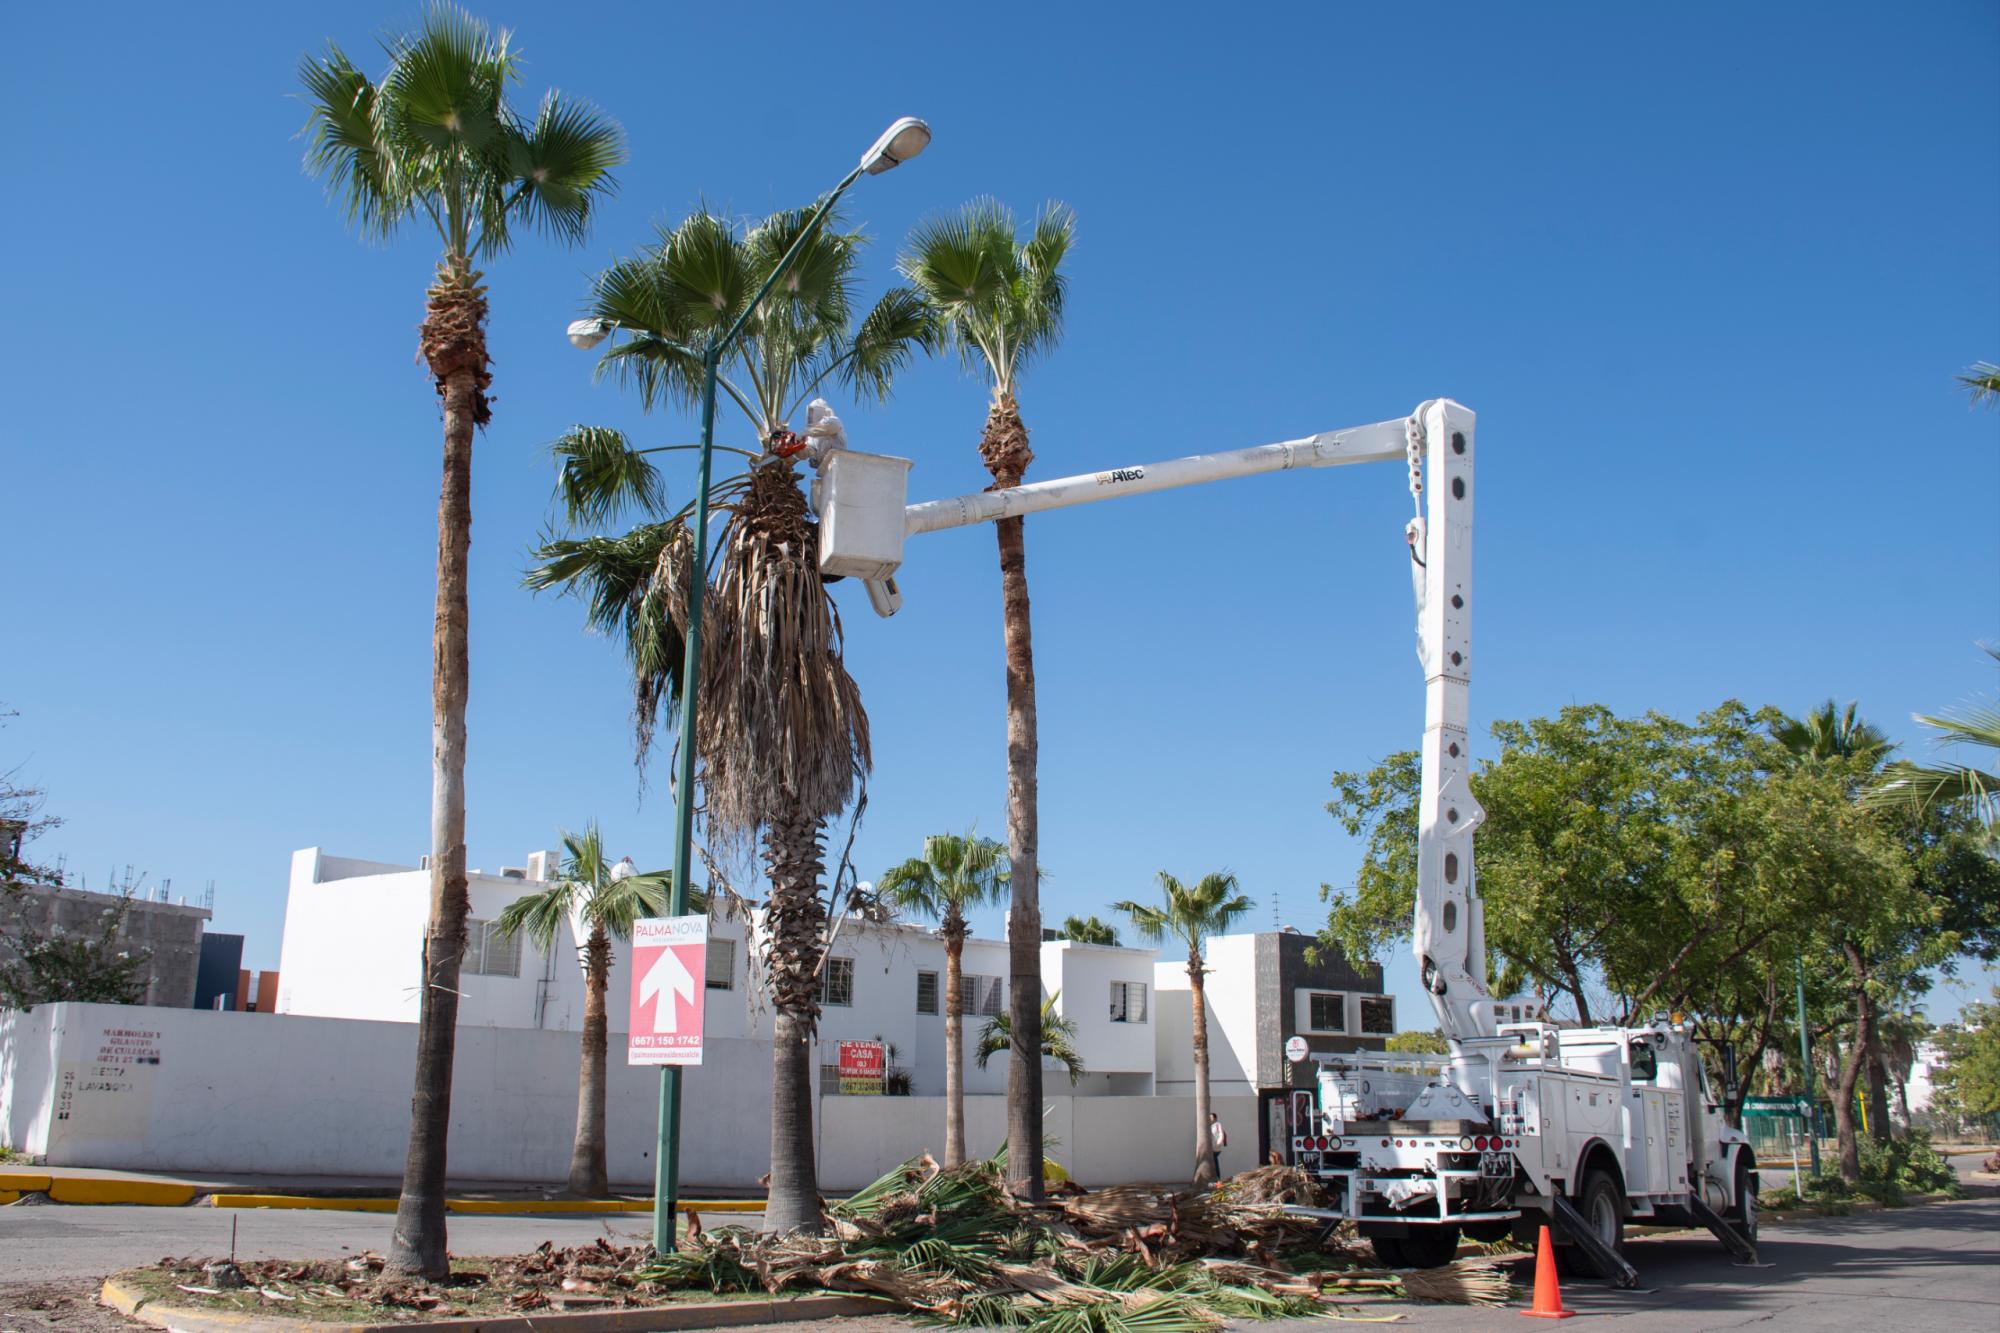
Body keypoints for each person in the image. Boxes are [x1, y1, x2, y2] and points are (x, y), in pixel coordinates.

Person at [1207, 1111, 1228, 1176]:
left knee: (1215, 1163)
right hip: (1212, 1148)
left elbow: (1221, 1134)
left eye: (1211, 1117)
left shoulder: (1217, 1124)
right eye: (1209, 1117)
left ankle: (1217, 1179)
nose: (1210, 1119)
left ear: (1215, 1118)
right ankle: (1216, 1178)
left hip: (1216, 1148)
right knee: (1213, 1163)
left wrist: (1218, 1143)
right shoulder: (1209, 1126)